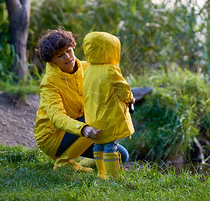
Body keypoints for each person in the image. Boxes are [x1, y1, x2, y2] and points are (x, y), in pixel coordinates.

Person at [34, 29, 129, 172]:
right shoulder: (49, 83)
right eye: (60, 55)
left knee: (122, 156)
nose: (67, 57)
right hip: (53, 137)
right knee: (96, 118)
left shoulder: (88, 67)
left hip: (84, 126)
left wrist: (125, 98)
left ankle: (82, 162)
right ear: (52, 61)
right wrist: (83, 129)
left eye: (69, 51)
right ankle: (63, 163)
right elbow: (57, 117)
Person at [83, 31, 135, 180]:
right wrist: (130, 99)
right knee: (110, 146)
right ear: (111, 50)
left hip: (94, 117)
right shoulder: (111, 70)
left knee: (98, 146)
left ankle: (102, 174)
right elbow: (123, 89)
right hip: (110, 117)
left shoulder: (88, 70)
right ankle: (113, 177)